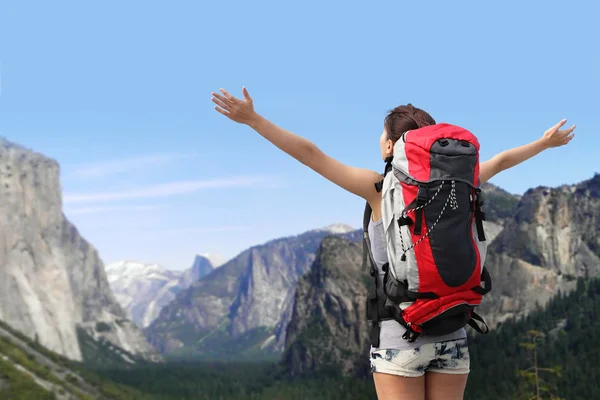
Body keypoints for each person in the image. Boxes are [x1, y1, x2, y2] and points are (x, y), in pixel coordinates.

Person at [210, 87, 576, 400]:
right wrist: (544, 144)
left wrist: (255, 121)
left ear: (390, 146)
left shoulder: (378, 189)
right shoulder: (462, 183)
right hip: (453, 330)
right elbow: (503, 160)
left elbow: (312, 156)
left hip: (399, 335)